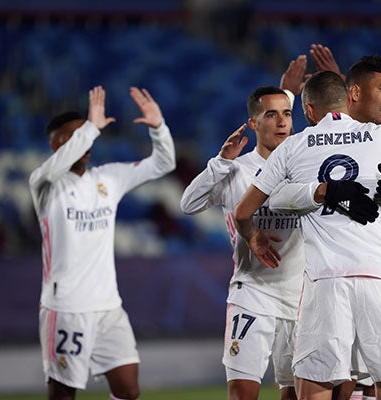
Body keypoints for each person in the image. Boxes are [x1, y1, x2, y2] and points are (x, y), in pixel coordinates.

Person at [233, 70, 381, 400]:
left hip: (325, 281)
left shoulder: (293, 146)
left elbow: (256, 207)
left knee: (316, 389)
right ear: (350, 99)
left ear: (307, 111)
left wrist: (317, 193)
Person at [28, 86, 176, 400]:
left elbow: (163, 164)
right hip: (66, 307)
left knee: (128, 389)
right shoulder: (44, 184)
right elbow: (57, 164)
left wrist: (159, 128)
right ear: (55, 144)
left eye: (85, 133)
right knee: (63, 393)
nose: (85, 140)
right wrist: (91, 127)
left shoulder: (108, 178)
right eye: (74, 135)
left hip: (109, 306)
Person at [180, 86, 302, 400]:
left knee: (294, 394)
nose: (281, 122)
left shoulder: (304, 167)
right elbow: (188, 204)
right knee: (242, 394)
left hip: (300, 297)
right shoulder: (237, 169)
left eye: (287, 114)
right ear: (253, 123)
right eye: (271, 115)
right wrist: (220, 162)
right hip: (253, 293)